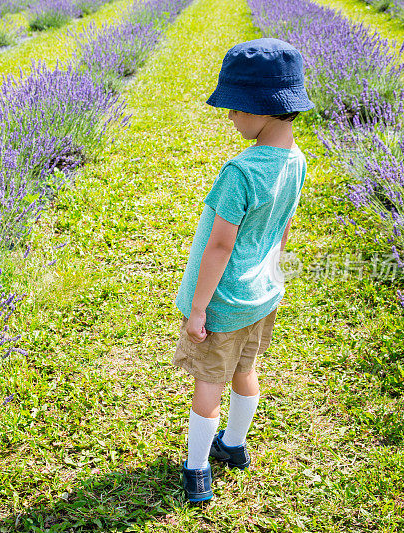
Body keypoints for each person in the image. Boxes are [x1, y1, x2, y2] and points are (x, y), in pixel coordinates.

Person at [173, 37, 315, 503]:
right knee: (246, 370)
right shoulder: (296, 160)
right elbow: (285, 224)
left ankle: (196, 472)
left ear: (264, 110)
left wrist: (198, 309)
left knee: (208, 384)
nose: (230, 116)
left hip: (225, 300)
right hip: (261, 293)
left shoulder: (240, 171)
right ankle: (234, 446)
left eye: (234, 108)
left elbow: (219, 244)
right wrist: (276, 274)